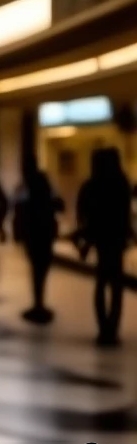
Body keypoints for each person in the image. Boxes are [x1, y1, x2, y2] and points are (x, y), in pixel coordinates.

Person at [77, 148, 131, 347]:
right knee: (115, 286)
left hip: (101, 239)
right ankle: (111, 329)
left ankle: (103, 329)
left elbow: (84, 214)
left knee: (101, 284)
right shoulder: (120, 183)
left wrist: (86, 241)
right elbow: (124, 215)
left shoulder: (93, 185)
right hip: (115, 240)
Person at [13, 154, 61, 325]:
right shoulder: (44, 182)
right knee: (41, 268)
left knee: (36, 268)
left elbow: (17, 207)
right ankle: (39, 303)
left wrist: (18, 232)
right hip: (45, 231)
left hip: (33, 231)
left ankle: (38, 303)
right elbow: (57, 202)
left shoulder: (25, 186)